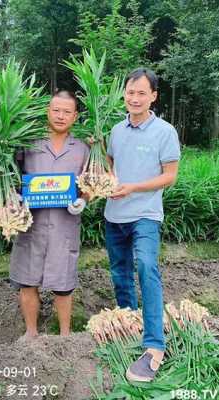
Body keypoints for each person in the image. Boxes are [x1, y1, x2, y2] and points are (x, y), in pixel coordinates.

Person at [105, 68, 181, 382]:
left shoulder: (164, 131)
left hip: (146, 214)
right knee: (119, 271)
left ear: (153, 96)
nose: (134, 98)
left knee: (147, 268)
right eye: (130, 92)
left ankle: (154, 347)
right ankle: (128, 318)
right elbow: (109, 164)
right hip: (114, 214)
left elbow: (170, 175)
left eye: (141, 93)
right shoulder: (116, 130)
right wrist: (106, 179)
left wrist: (133, 188)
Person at [10, 90, 90, 339]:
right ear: (48, 111)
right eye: (56, 110)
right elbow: (12, 176)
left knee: (63, 284)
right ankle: (31, 332)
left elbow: (91, 184)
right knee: (27, 279)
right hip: (30, 224)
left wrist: (84, 200)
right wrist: (16, 197)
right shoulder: (28, 142)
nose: (60, 116)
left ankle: (65, 336)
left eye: (67, 112)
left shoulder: (84, 148)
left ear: (75, 116)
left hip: (65, 224)